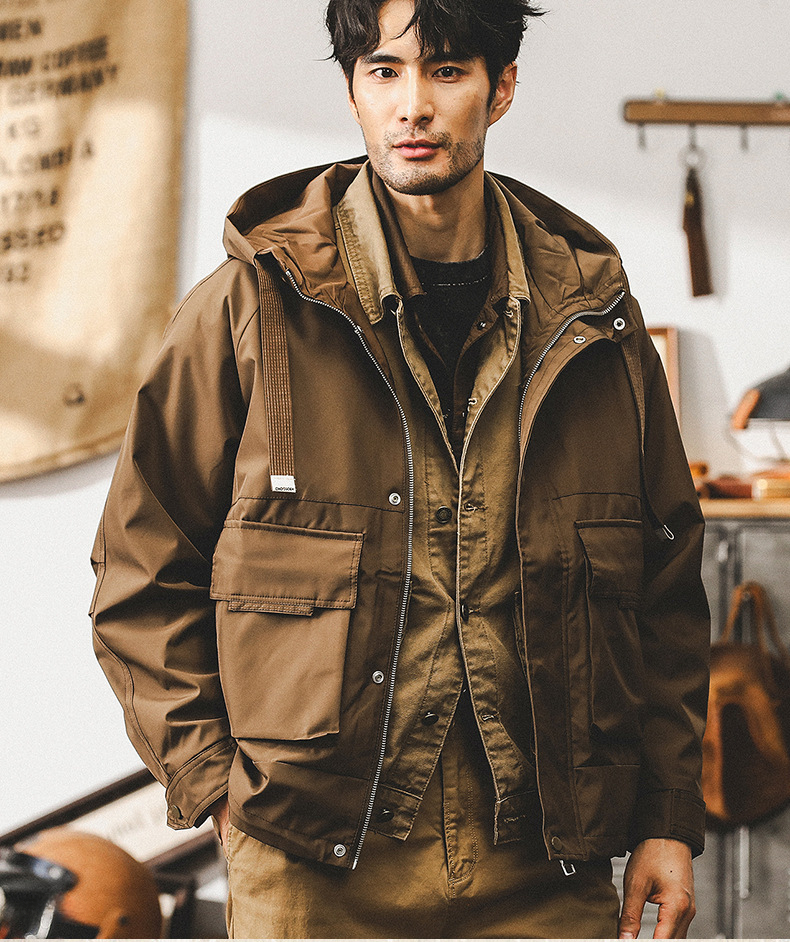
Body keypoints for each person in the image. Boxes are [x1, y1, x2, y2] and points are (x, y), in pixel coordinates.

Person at [90, 0, 710, 937]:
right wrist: (213, 783)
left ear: (502, 89)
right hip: (309, 862)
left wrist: (665, 816)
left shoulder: (592, 323)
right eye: (384, 71)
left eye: (447, 70)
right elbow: (141, 569)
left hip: (545, 861)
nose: (413, 104)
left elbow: (664, 587)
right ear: (353, 92)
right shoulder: (250, 308)